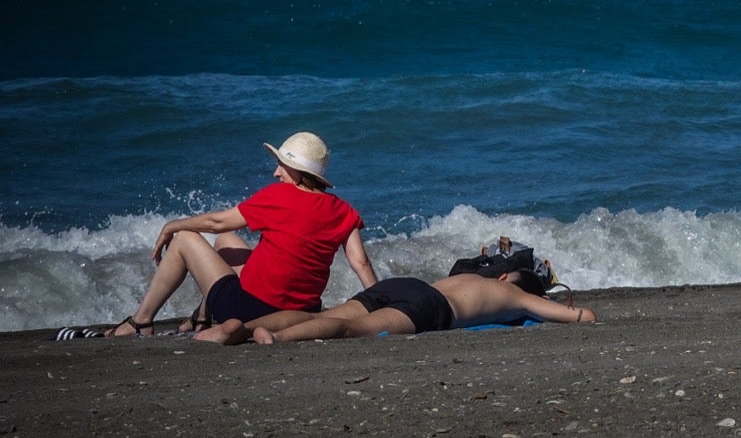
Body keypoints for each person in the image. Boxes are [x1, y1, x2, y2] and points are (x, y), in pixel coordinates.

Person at [109, 132, 375, 336]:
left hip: (249, 310)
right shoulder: (343, 210)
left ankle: (140, 321)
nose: (276, 172)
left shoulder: (279, 195)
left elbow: (217, 222)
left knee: (185, 240)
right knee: (227, 242)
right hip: (301, 315)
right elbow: (360, 263)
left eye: (281, 165)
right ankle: (202, 317)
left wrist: (173, 226)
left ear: (296, 171)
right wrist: (377, 303)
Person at [195, 268, 597, 345]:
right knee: (355, 331)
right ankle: (276, 337)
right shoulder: (515, 294)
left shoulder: (468, 277)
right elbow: (579, 317)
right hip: (429, 305)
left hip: (404, 283)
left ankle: (242, 327)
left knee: (326, 315)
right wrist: (569, 309)